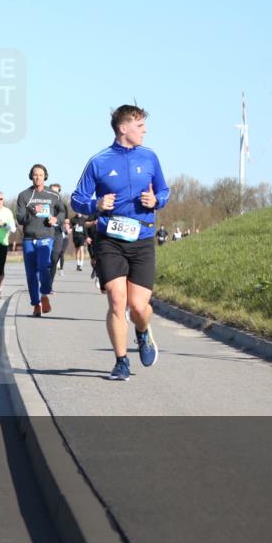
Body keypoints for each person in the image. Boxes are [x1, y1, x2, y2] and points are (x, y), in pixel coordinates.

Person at [71, 104, 170, 381]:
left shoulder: (150, 157)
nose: (145, 130)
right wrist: (96, 203)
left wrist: (157, 201)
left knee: (138, 307)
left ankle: (142, 331)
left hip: (142, 239)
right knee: (117, 300)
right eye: (140, 126)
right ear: (123, 128)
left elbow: (164, 190)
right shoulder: (99, 161)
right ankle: (121, 361)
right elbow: (77, 198)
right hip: (110, 239)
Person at [16, 164, 65, 316]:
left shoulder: (53, 195)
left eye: (41, 175)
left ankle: (44, 294)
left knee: (44, 266)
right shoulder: (24, 195)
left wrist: (56, 219)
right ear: (31, 176)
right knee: (31, 274)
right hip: (29, 238)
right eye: (35, 174)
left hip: (46, 236)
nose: (38, 177)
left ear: (45, 177)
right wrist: (32, 211)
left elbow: (63, 211)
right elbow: (20, 218)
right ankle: (36, 304)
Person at [48, 183, 70, 283]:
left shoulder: (63, 205)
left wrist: (67, 227)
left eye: (56, 192)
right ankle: (43, 282)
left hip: (58, 232)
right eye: (51, 191)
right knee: (45, 259)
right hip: (46, 231)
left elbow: (66, 220)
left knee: (54, 258)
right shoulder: (45, 203)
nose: (53, 194)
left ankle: (49, 284)